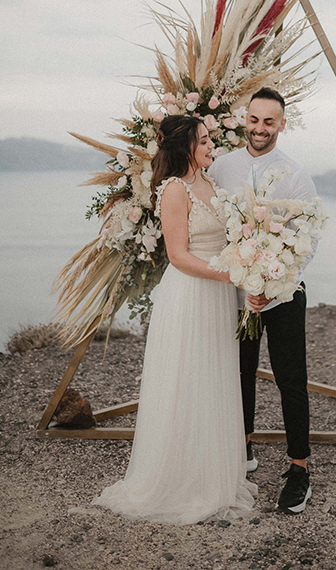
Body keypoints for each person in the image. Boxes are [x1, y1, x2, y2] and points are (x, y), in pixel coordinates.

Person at [92, 115, 256, 524]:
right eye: (203, 140)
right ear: (184, 146)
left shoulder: (211, 183)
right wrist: (231, 273)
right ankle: (180, 478)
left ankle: (213, 473)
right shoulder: (173, 190)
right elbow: (179, 256)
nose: (210, 146)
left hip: (218, 296)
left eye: (209, 139)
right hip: (190, 295)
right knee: (187, 378)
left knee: (215, 377)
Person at [209, 87, 317, 515]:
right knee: (240, 373)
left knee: (291, 379)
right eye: (254, 120)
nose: (259, 129)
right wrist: (242, 282)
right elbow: (216, 227)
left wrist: (269, 285)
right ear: (245, 119)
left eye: (269, 122)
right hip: (235, 293)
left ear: (282, 125)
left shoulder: (295, 176)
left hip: (284, 295)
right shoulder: (221, 168)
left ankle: (299, 468)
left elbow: (307, 243)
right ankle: (244, 449)